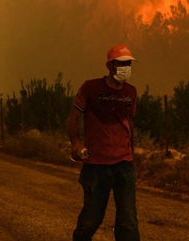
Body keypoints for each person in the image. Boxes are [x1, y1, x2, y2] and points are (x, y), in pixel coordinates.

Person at [67, 44, 140, 241]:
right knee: (91, 219)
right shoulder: (90, 88)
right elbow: (73, 118)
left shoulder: (131, 92)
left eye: (129, 64)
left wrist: (131, 155)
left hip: (124, 165)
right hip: (96, 166)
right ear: (110, 66)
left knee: (128, 222)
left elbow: (128, 123)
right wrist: (76, 143)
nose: (126, 67)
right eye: (121, 63)